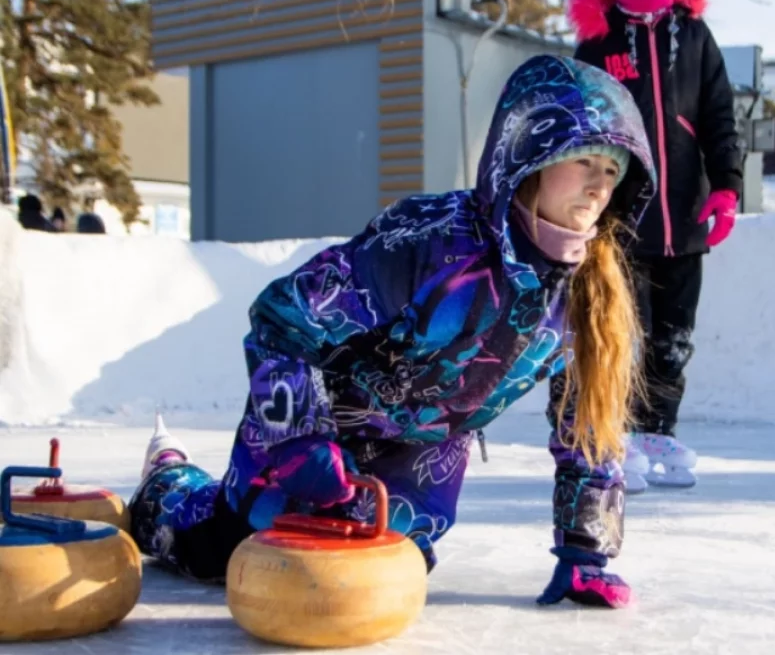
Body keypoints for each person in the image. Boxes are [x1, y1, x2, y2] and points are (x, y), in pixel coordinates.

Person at [128, 55, 656, 609]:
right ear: (529, 155)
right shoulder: (428, 242)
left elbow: (590, 426)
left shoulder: (590, 298)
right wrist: (300, 439)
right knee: (226, 551)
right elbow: (281, 321)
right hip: (318, 427)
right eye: (585, 160)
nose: (599, 186)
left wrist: (584, 552)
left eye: (613, 171)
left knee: (368, 582)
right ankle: (166, 481)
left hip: (416, 470)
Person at [566, 0, 744, 490]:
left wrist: (726, 187)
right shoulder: (599, 40)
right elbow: (581, 125)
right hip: (623, 218)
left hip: (685, 215)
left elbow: (719, 116)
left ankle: (656, 429)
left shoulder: (693, 34)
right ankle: (610, 437)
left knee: (674, 337)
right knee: (622, 336)